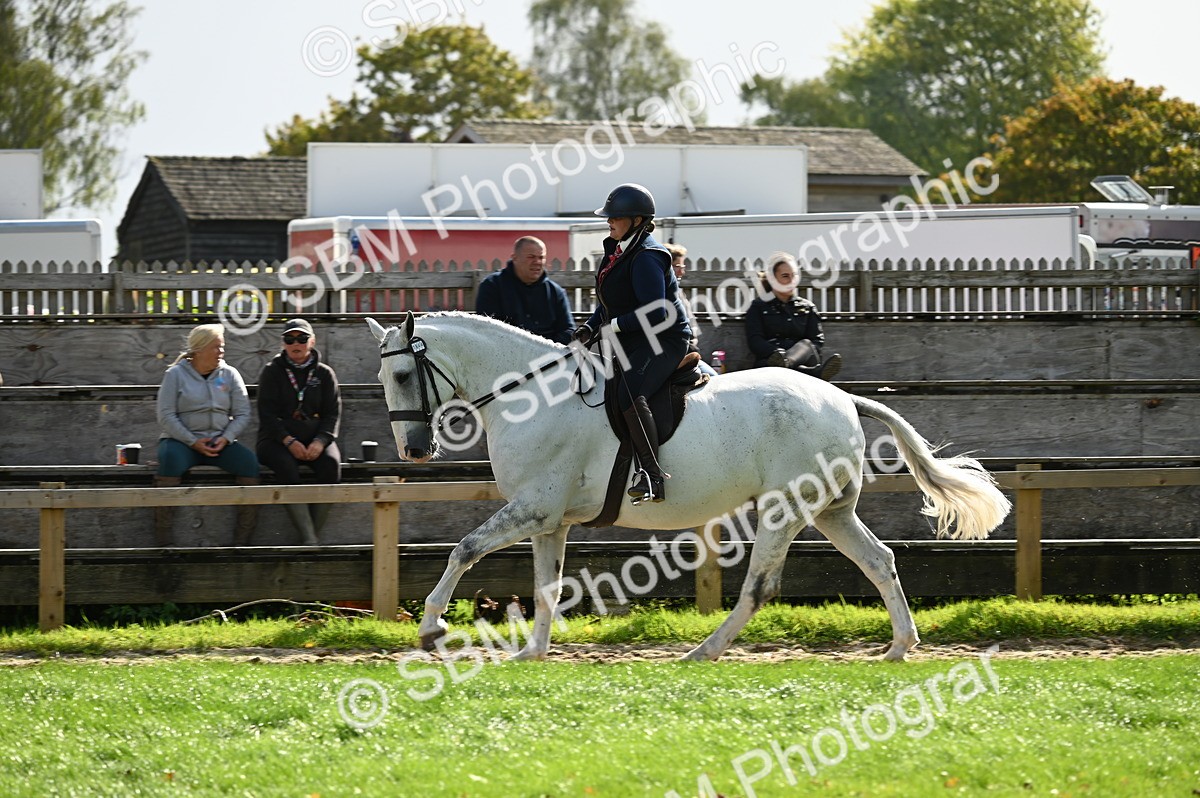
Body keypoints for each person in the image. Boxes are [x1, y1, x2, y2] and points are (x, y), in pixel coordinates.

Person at [574, 183, 692, 504]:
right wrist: (589, 327)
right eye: (609, 216)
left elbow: (655, 313)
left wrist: (613, 326)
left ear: (637, 221)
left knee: (629, 392)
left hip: (665, 338)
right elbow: (612, 303)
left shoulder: (647, 257)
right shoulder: (618, 249)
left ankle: (653, 477)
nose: (609, 221)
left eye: (616, 217)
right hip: (636, 336)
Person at [154, 323, 259, 546]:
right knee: (169, 460)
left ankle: (242, 541)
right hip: (182, 441)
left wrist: (226, 438)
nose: (221, 352)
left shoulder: (230, 374)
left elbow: (242, 412)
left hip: (220, 441)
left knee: (249, 463)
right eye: (216, 347)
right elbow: (166, 415)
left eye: (222, 347)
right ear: (199, 349)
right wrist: (192, 441)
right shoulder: (175, 375)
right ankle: (164, 540)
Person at [256, 318, 342, 546]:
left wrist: (320, 441)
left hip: (315, 439)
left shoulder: (324, 374)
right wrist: (288, 440)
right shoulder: (271, 372)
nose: (296, 344)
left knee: (331, 466)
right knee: (286, 466)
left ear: (312, 342)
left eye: (302, 338)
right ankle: (309, 538)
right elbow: (266, 415)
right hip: (275, 440)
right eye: (290, 339)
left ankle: (311, 535)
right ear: (283, 343)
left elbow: (332, 414)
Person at [745, 252, 843, 380]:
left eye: (794, 275)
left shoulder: (807, 307)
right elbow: (755, 341)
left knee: (806, 344)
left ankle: (786, 364)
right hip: (769, 364)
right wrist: (777, 353)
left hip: (802, 359)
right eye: (785, 276)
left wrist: (790, 357)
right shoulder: (758, 306)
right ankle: (814, 373)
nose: (791, 281)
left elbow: (816, 342)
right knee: (772, 364)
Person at [475, 236, 573, 344]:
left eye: (541, 257)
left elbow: (568, 330)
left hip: (550, 352)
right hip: (506, 350)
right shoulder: (492, 286)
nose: (537, 262)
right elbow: (488, 330)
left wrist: (548, 349)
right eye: (531, 257)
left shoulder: (555, 292)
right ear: (515, 258)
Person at [666, 242, 718, 378]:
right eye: (677, 267)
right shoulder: (664, 295)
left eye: (683, 267)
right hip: (676, 356)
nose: (682, 272)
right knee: (713, 378)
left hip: (688, 352)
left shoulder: (678, 292)